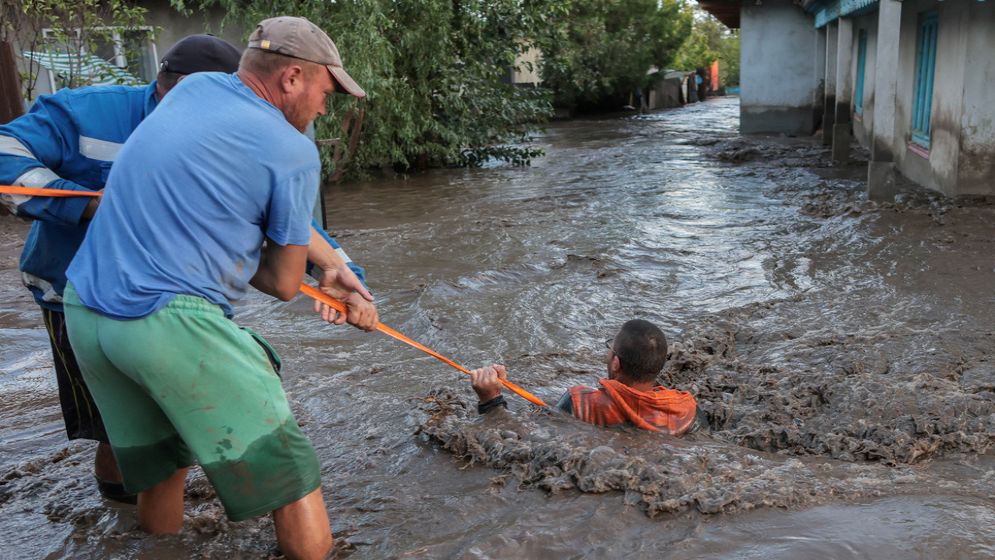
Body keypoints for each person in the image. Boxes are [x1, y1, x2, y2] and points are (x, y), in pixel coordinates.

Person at [63, 16, 374, 559]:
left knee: (165, 465)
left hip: (85, 311)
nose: (327, 107)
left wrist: (329, 264)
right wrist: (318, 273)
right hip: (165, 321)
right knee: (290, 473)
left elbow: (212, 189)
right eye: (328, 92)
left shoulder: (196, 88)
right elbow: (280, 282)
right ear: (293, 78)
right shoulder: (293, 150)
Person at [0, 34, 243, 503]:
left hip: (177, 298)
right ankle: (123, 521)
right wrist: (89, 205)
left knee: (187, 409)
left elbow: (283, 217)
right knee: (116, 425)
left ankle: (154, 512)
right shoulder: (86, 113)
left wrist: (339, 269)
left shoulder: (228, 133)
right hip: (74, 295)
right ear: (178, 89)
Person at [471, 319, 701, 435]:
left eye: (610, 348)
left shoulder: (579, 402)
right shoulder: (687, 409)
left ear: (615, 362)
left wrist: (491, 401)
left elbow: (522, 435)